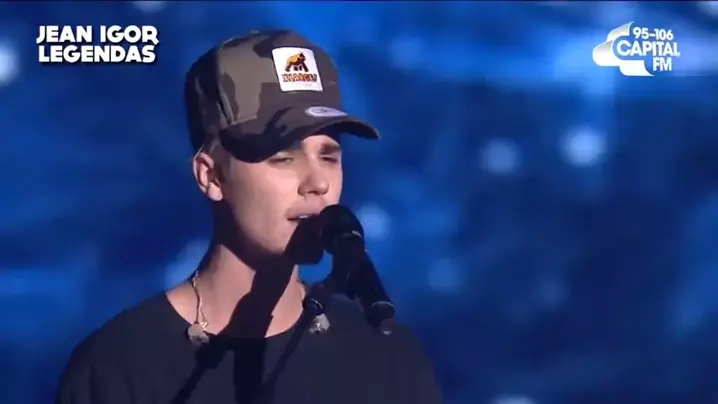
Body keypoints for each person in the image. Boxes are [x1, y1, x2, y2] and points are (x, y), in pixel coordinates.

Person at [55, 30, 443, 404]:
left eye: (329, 156)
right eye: (283, 158)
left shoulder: (390, 361)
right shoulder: (118, 369)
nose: (318, 183)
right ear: (211, 176)